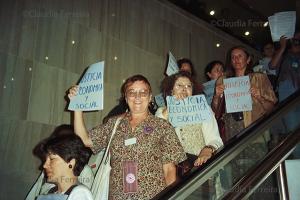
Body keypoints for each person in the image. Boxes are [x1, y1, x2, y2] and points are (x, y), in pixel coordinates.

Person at [68, 74, 186, 200]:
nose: (137, 96)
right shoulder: (114, 124)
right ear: (126, 97)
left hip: (152, 196)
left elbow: (169, 170)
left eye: (143, 92)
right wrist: (77, 106)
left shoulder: (163, 126)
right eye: (132, 92)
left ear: (150, 97)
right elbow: (85, 140)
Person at [156, 72, 223, 169]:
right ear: (171, 90)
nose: (184, 89)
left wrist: (208, 149)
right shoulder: (162, 111)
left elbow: (215, 139)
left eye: (188, 86)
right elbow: (155, 134)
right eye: (179, 85)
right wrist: (171, 107)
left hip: (198, 166)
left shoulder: (203, 109)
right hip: (171, 169)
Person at [212, 46, 277, 142]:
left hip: (254, 133)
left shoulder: (259, 78)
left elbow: (271, 108)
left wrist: (260, 97)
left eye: (240, 56)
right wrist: (216, 96)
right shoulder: (222, 80)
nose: (236, 59)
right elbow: (215, 110)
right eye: (233, 57)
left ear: (248, 59)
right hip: (229, 131)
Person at [26, 125, 94, 200]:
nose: (44, 165)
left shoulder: (80, 194)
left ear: (71, 163)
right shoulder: (51, 191)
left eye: (52, 159)